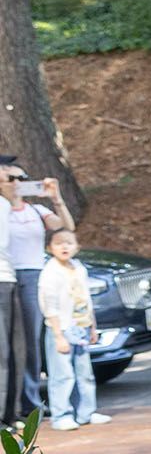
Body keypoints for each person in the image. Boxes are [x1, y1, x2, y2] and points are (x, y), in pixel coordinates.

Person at [0, 162, 70, 426]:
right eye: (11, 177)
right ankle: (15, 404)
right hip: (8, 275)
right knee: (9, 346)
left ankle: (30, 401)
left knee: (30, 341)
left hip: (31, 274)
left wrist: (56, 198)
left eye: (22, 177)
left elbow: (66, 228)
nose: (18, 182)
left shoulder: (35, 209)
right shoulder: (3, 208)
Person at [38, 226, 108, 431]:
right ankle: (61, 415)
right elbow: (49, 305)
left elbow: (86, 300)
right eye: (58, 243)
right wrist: (58, 335)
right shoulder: (50, 272)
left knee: (84, 372)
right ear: (50, 248)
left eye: (69, 242)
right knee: (62, 374)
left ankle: (86, 412)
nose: (64, 246)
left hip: (82, 328)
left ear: (77, 247)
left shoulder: (79, 268)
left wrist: (93, 327)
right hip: (62, 329)